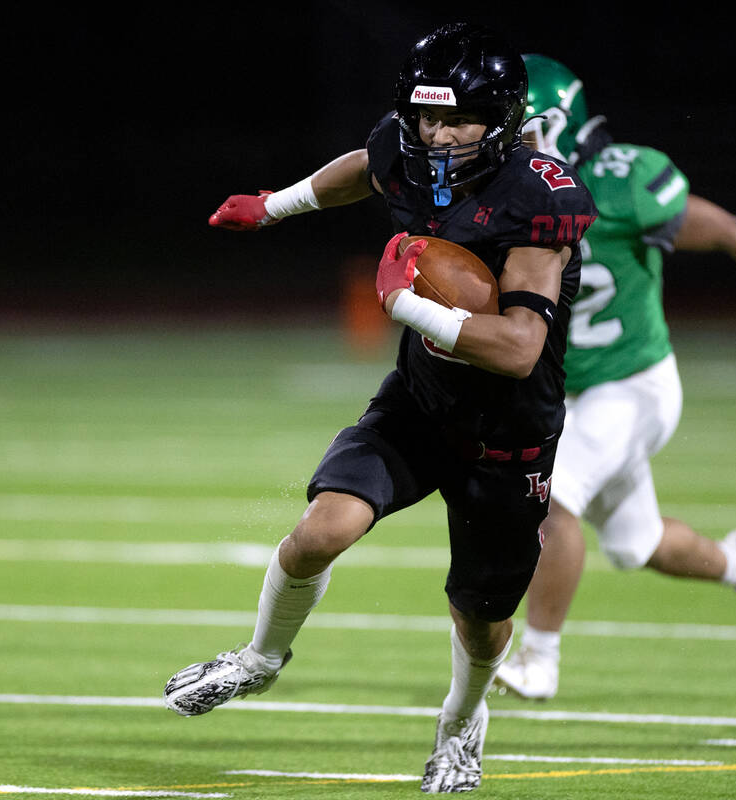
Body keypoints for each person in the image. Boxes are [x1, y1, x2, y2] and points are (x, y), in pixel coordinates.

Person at [160, 26, 596, 793]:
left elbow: (522, 347)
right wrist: (274, 206)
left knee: (481, 617)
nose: (435, 136)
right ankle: (259, 660)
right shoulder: (404, 149)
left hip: (509, 432)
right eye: (426, 119)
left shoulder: (537, 197)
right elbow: (367, 169)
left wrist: (405, 305)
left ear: (500, 120)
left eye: (456, 120)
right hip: (423, 403)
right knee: (320, 531)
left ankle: (462, 724)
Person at [492, 53, 736, 702]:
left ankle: (539, 660)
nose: (505, 144)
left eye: (517, 129)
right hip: (569, 393)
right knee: (642, 546)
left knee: (553, 498)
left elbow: (728, 231)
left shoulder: (623, 181)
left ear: (558, 127)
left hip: (635, 385)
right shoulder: (506, 198)